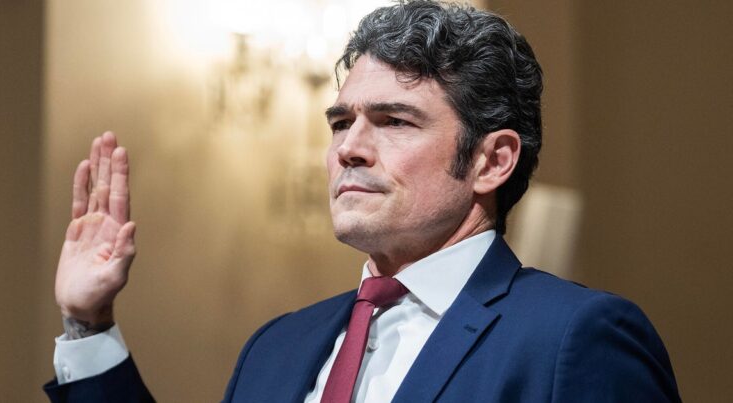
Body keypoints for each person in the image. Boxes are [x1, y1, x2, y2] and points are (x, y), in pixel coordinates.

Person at [44, 1, 681, 402]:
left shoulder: (573, 337)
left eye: (394, 121)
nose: (348, 148)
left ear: (492, 161)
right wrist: (88, 324)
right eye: (341, 122)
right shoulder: (278, 347)